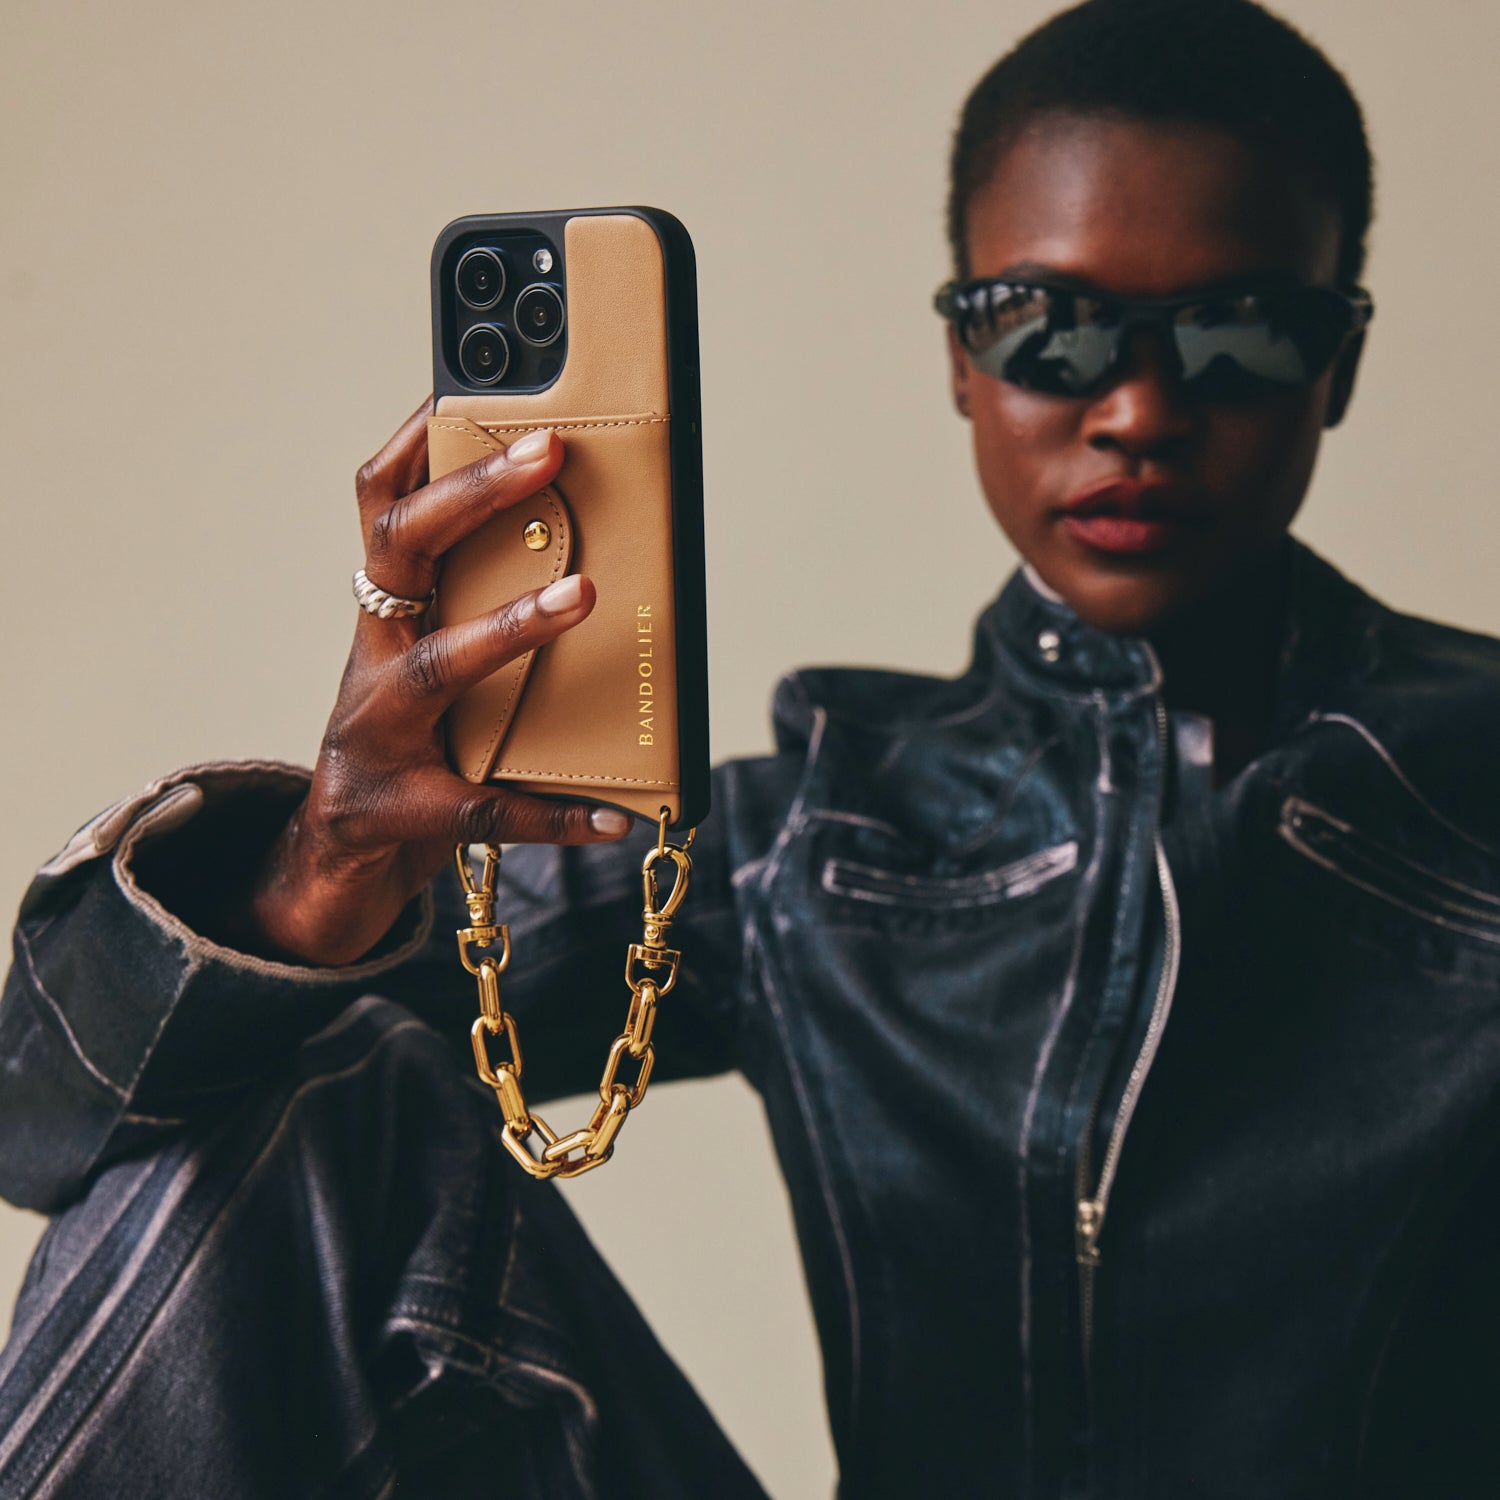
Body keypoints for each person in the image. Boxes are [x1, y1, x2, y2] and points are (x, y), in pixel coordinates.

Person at [3, 0, 1498, 1494]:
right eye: (1051, 327)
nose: (1138, 410)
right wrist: (323, 863)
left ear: (1341, 362)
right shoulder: (823, 831)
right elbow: (49, 1125)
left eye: (1241, 332)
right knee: (298, 1101)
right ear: (962, 357)